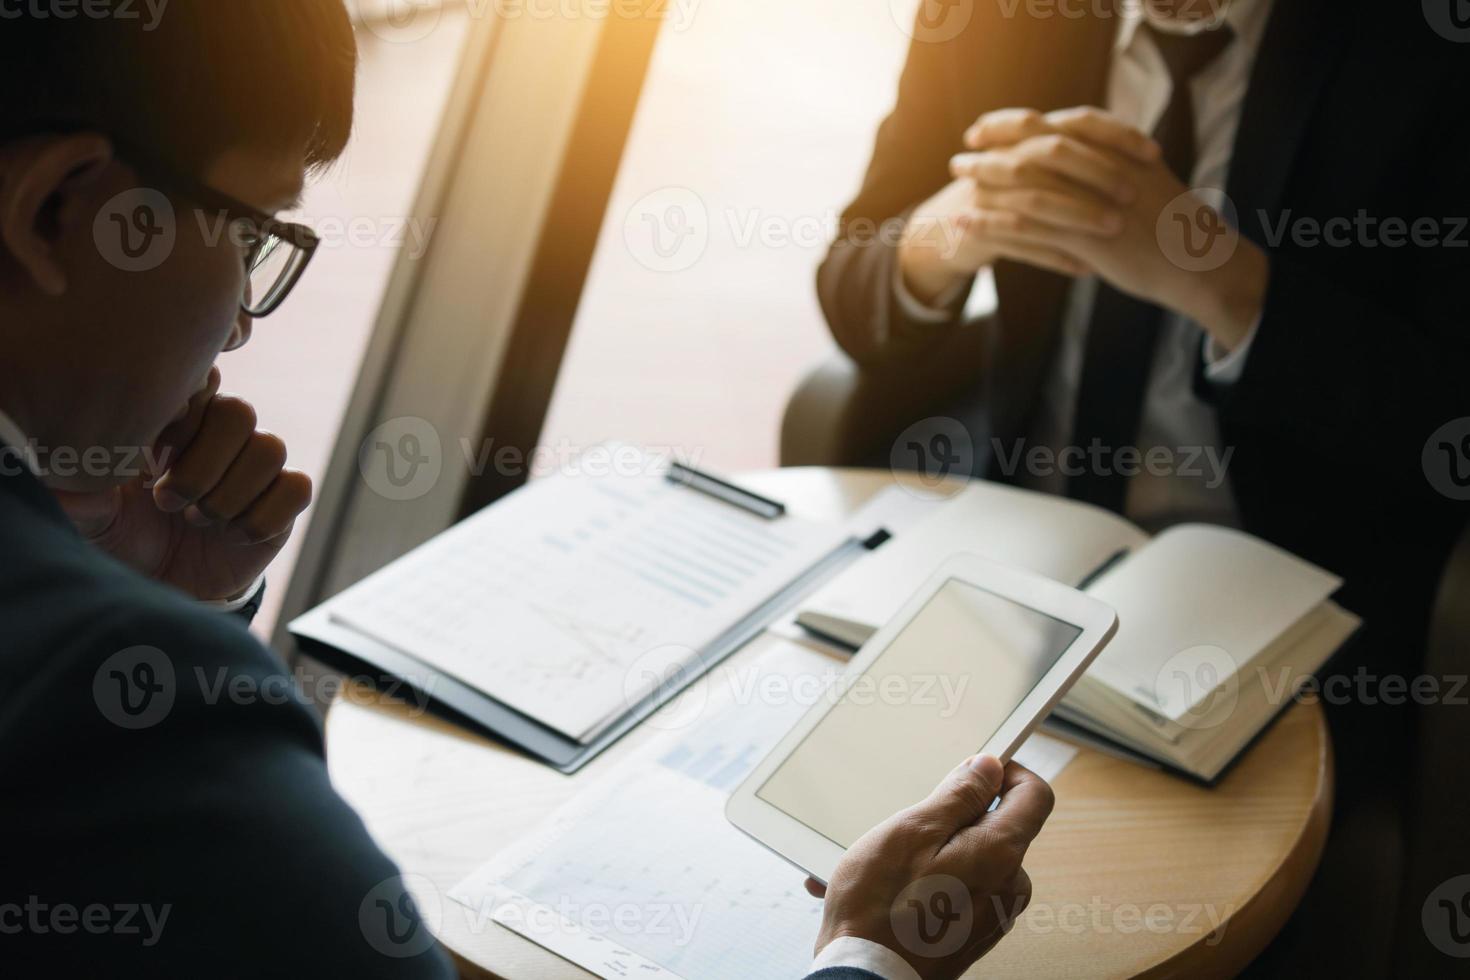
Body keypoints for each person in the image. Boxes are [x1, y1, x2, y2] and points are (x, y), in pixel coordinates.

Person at [0, 4, 1051, 977]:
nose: (238, 324)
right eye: (247, 233)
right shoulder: (118, 725)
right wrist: (870, 956)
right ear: (56, 210)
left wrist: (140, 592)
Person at [817, 0, 1468, 971]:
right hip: (1009, 550)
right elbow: (855, 297)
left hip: (1287, 593)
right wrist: (956, 226)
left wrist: (1224, 284)